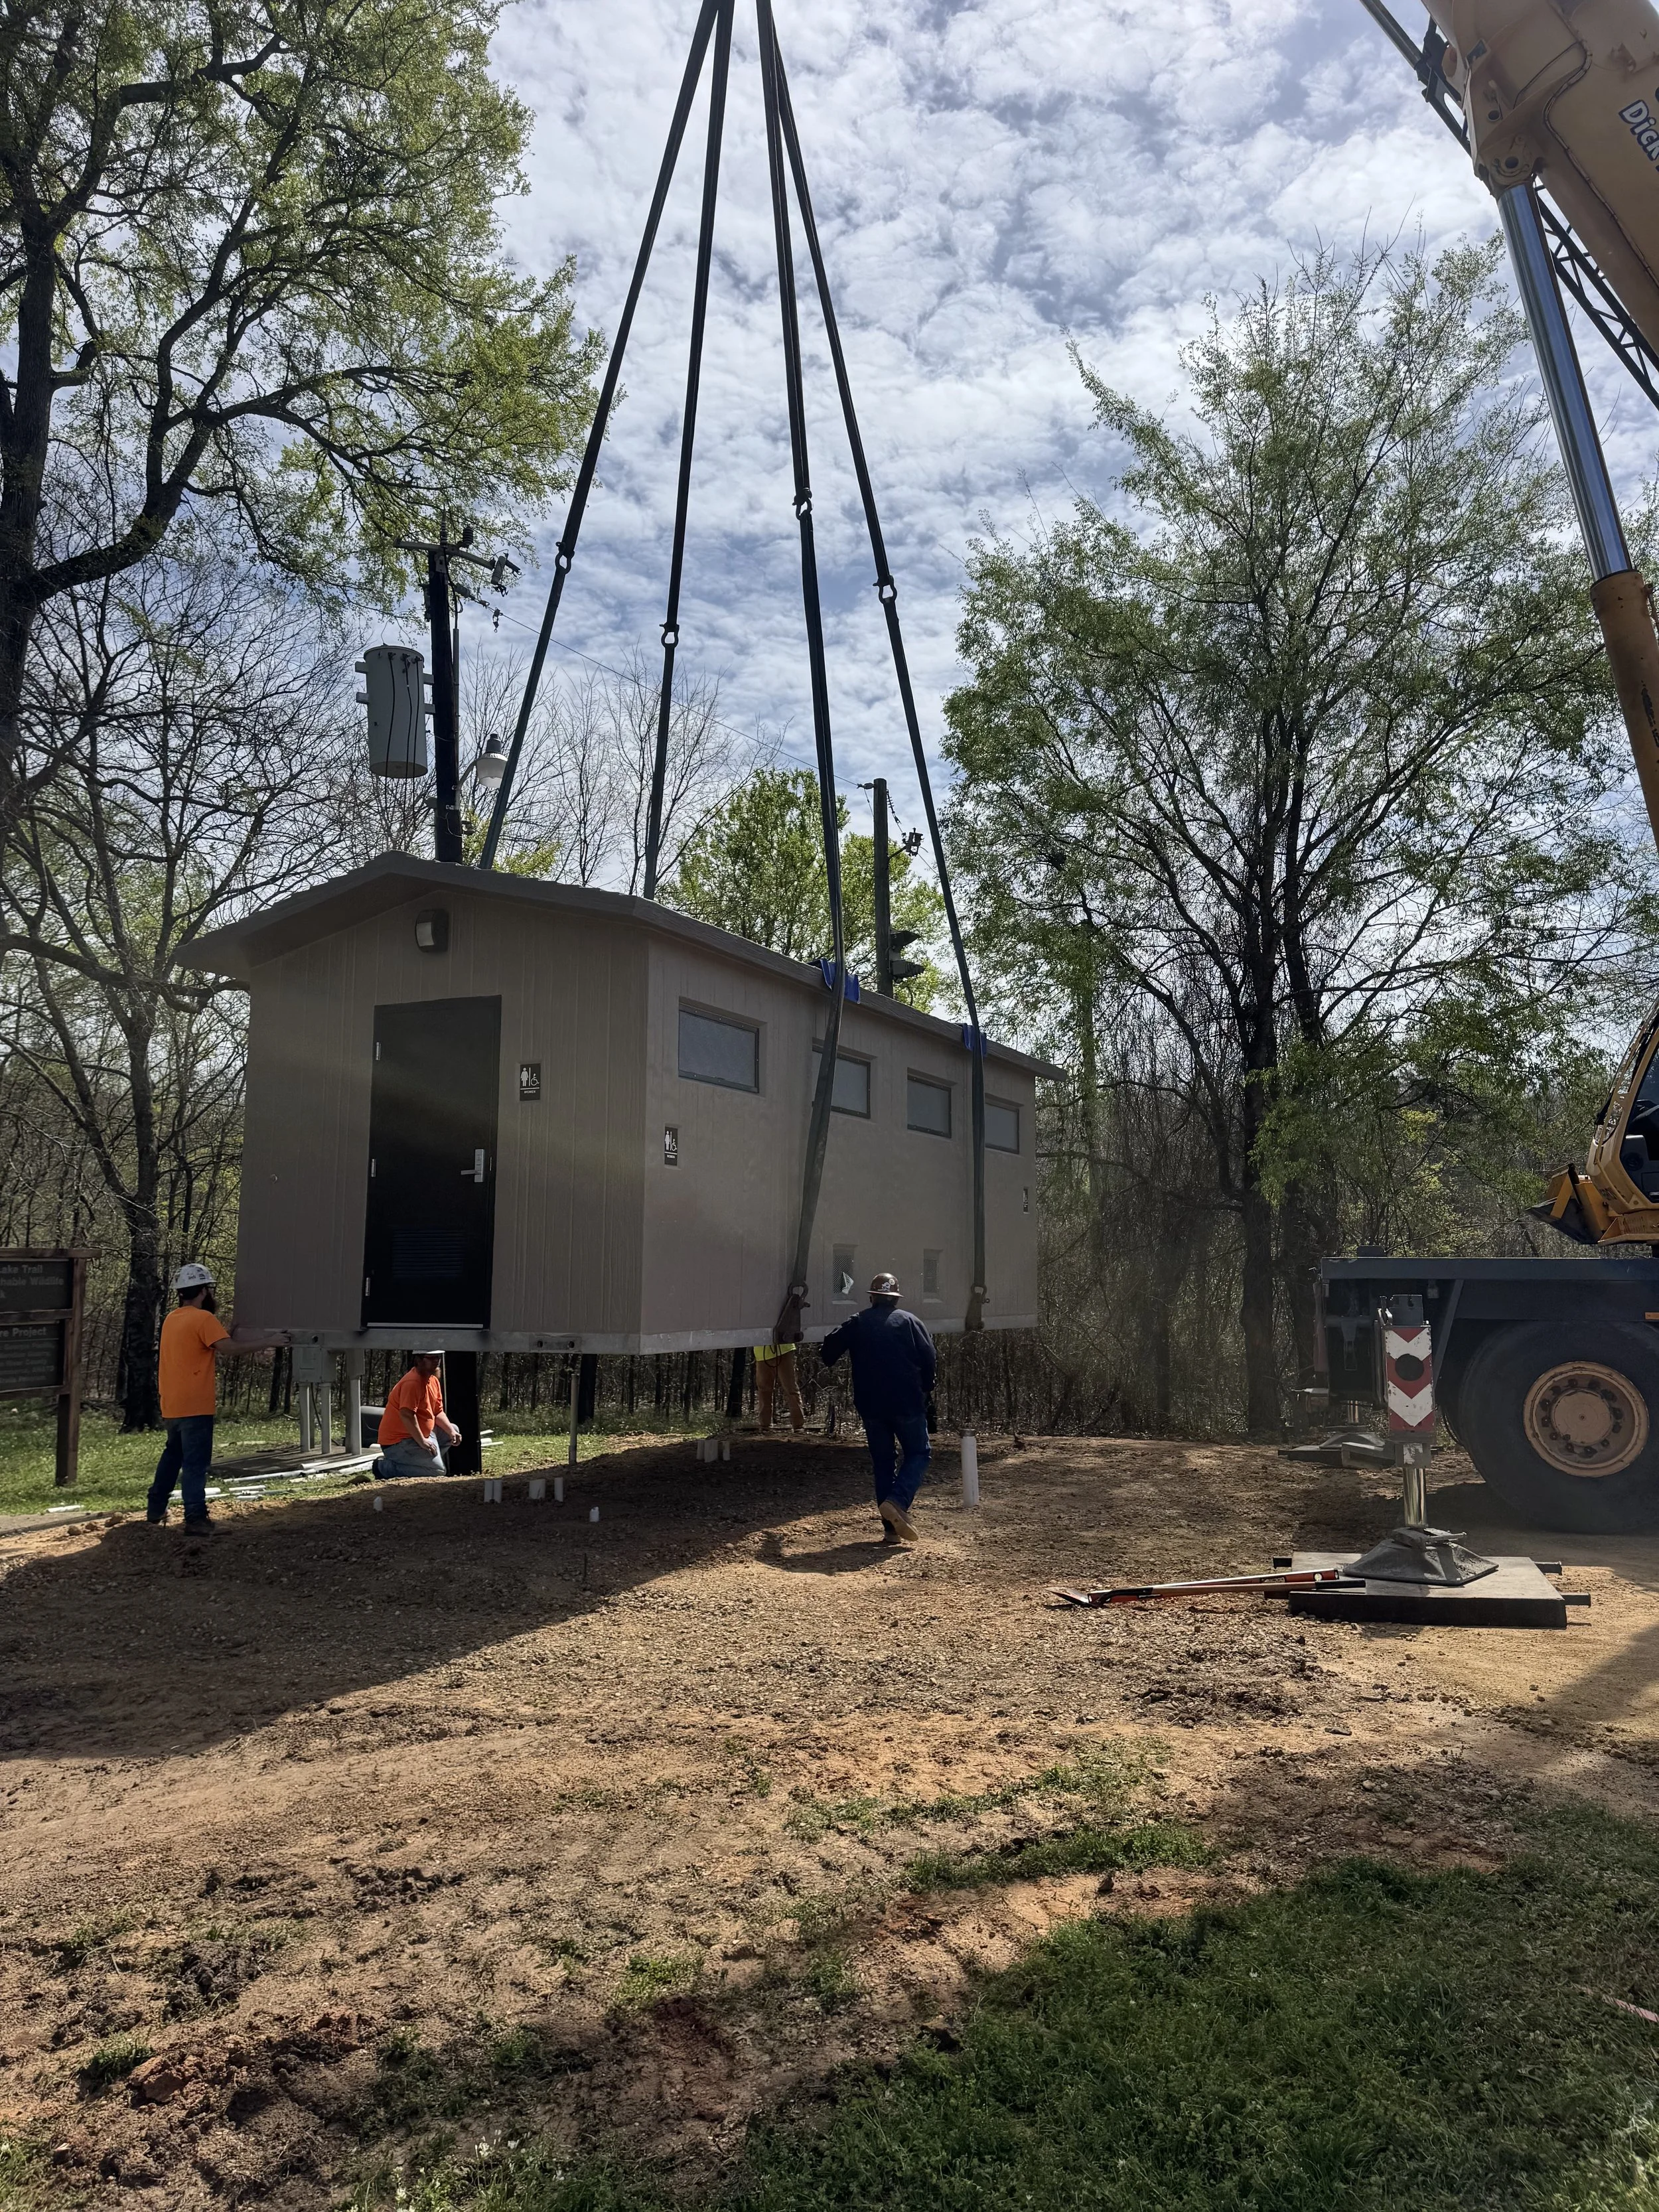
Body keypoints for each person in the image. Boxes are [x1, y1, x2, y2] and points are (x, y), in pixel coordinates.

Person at [148, 1263, 279, 1532]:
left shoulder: (172, 1319)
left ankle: (155, 1508)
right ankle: (195, 1518)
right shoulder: (204, 1319)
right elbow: (228, 1349)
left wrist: (227, 1329)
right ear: (205, 1291)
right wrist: (271, 1340)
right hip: (196, 1405)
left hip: (172, 1404)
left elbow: (205, 1342)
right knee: (195, 1463)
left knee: (172, 1457)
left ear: (181, 1292)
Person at [820, 1272, 936, 1543]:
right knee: (919, 1452)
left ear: (872, 1297)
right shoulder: (911, 1322)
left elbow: (828, 1352)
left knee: (884, 1462)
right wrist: (927, 1387)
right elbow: (929, 1357)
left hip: (871, 1406)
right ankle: (897, 1501)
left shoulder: (858, 1322)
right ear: (895, 1299)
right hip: (908, 1403)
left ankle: (891, 1530)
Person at [374, 1351, 462, 1477]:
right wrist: (422, 1441)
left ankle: (421, 1463)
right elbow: (407, 1414)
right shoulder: (412, 1382)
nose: (436, 1361)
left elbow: (438, 1412)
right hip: (399, 1442)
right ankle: (383, 1467)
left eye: (437, 1358)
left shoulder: (433, 1380)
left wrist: (451, 1432)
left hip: (421, 1435)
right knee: (437, 1472)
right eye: (431, 1358)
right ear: (419, 1360)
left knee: (453, 1429)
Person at [751, 1340, 806, 1433]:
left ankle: (798, 1425)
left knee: (791, 1388)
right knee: (764, 1389)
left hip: (784, 1348)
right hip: (761, 1352)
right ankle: (765, 1426)